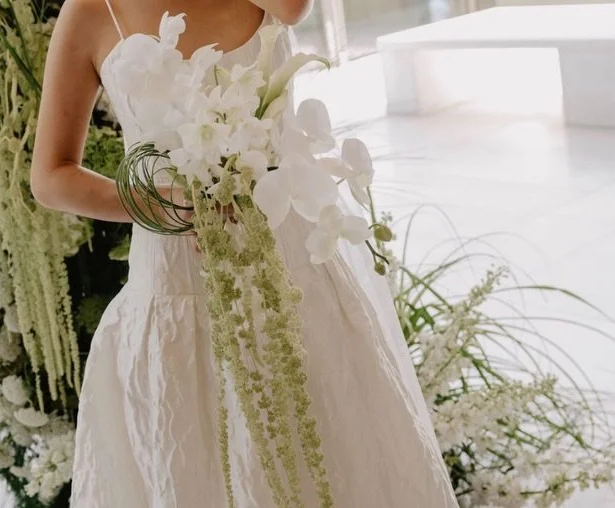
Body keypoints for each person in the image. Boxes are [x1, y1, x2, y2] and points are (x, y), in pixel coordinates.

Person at [31, 0, 459, 506]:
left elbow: (294, 9)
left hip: (291, 270)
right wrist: (164, 202)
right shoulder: (91, 11)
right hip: (176, 281)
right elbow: (51, 176)